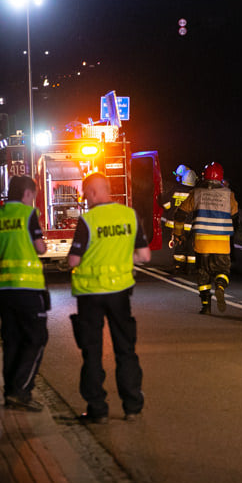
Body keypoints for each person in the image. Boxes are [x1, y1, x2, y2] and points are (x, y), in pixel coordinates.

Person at [68, 172, 151, 423]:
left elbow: (74, 260)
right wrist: (125, 259)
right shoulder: (130, 215)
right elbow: (145, 256)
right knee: (125, 349)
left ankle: (97, 409)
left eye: (85, 194)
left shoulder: (88, 220)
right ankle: (132, 406)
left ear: (93, 192)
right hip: (120, 294)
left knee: (92, 352)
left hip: (90, 295)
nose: (85, 199)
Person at [0, 175, 48, 411]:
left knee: (11, 341)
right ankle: (20, 391)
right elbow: (40, 248)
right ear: (28, 194)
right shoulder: (28, 215)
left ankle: (9, 392)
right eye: (34, 195)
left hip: (3, 289)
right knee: (37, 339)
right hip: (28, 289)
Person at [173, 162, 239, 314]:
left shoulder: (196, 193)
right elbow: (235, 219)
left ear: (203, 177)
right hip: (222, 243)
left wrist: (178, 234)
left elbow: (180, 214)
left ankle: (206, 306)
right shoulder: (229, 194)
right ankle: (221, 286)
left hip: (202, 242)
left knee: (203, 273)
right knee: (223, 270)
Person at [160, 165, 197, 272]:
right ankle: (191, 267)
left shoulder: (175, 190)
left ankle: (178, 265)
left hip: (176, 224)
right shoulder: (195, 192)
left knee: (179, 244)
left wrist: (167, 208)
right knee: (191, 246)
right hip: (190, 225)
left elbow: (165, 203)